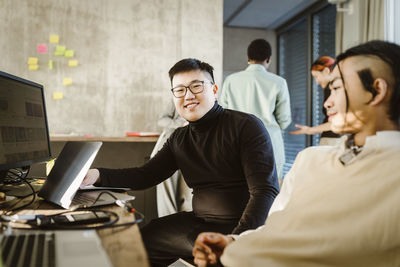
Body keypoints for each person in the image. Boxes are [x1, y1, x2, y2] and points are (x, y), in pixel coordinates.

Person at [193, 40, 400, 267]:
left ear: (377, 90)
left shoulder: (392, 175)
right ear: (268, 59)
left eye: (337, 88)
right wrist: (233, 242)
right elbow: (275, 225)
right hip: (270, 143)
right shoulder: (310, 159)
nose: (327, 104)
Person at [81, 58, 280, 266]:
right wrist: (98, 175)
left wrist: (235, 241)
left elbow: (265, 191)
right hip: (199, 221)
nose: (188, 95)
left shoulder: (246, 126)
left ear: (214, 89)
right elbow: (146, 175)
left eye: (196, 86)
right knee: (137, 243)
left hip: (241, 226)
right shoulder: (179, 138)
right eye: (180, 90)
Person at [219, 39, 291, 179]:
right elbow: (284, 120)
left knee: (238, 188)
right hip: (269, 142)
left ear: (248, 58)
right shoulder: (279, 82)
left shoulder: (231, 80)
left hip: (237, 142)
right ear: (268, 59)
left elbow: (223, 113)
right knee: (269, 191)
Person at [150, 100, 192, 217]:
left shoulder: (205, 100)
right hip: (170, 150)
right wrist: (181, 124)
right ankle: (167, 222)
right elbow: (162, 120)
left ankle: (184, 225)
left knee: (188, 195)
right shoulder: (177, 98)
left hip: (191, 152)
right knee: (167, 193)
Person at [290, 56, 340, 145]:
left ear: (326, 71)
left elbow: (335, 121)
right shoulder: (331, 90)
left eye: (316, 76)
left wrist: (310, 130)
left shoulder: (330, 89)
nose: (316, 81)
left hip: (332, 140)